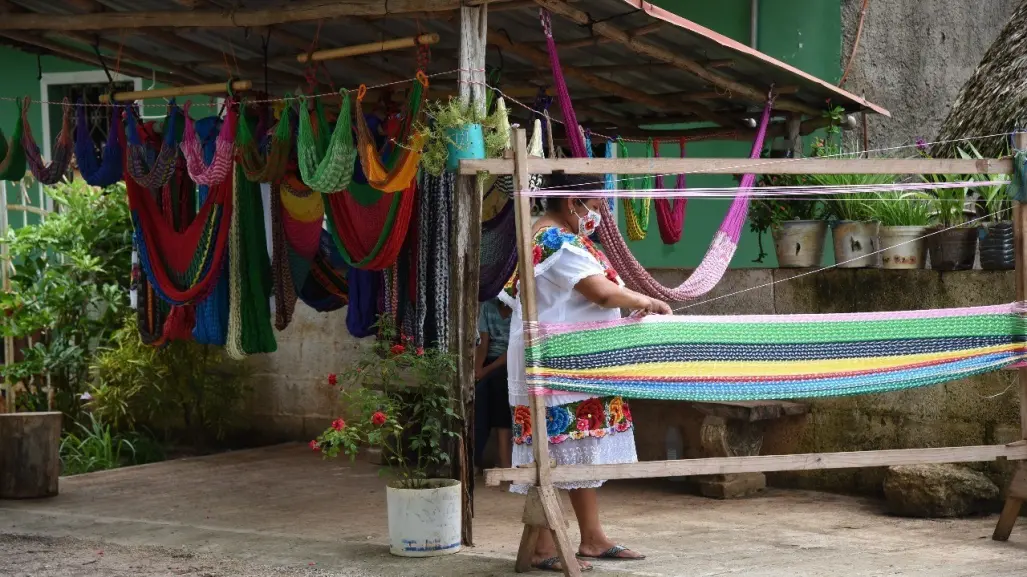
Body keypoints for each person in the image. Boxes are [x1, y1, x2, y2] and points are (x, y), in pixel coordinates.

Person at [498, 173, 672, 573]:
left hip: (576, 362)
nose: (599, 215)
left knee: (578, 447)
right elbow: (601, 292)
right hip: (557, 364)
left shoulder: (552, 237)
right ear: (572, 201)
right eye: (594, 207)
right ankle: (543, 546)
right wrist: (650, 301)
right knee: (554, 452)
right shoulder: (553, 240)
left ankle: (592, 538)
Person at [474, 298, 513, 472]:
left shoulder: (519, 309)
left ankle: (505, 463)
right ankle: (476, 459)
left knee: (500, 390)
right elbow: (483, 343)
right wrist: (477, 370)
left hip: (511, 363)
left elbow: (513, 349)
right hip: (489, 365)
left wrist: (486, 370)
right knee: (479, 395)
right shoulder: (488, 306)